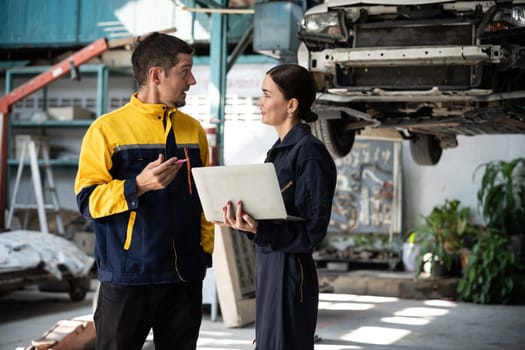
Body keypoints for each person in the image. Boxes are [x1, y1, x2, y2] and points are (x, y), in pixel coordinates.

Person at [74, 32, 214, 350]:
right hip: (127, 277)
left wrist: (203, 254)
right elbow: (87, 201)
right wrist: (137, 186)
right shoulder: (106, 130)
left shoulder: (193, 130)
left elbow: (204, 199)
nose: (192, 80)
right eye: (185, 70)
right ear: (156, 74)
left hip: (184, 278)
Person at [218, 63, 337, 349]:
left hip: (290, 270)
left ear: (291, 104)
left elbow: (312, 230)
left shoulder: (309, 153)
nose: (260, 102)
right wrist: (247, 224)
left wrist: (262, 230)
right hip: (271, 263)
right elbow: (272, 218)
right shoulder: (280, 150)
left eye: (267, 94)